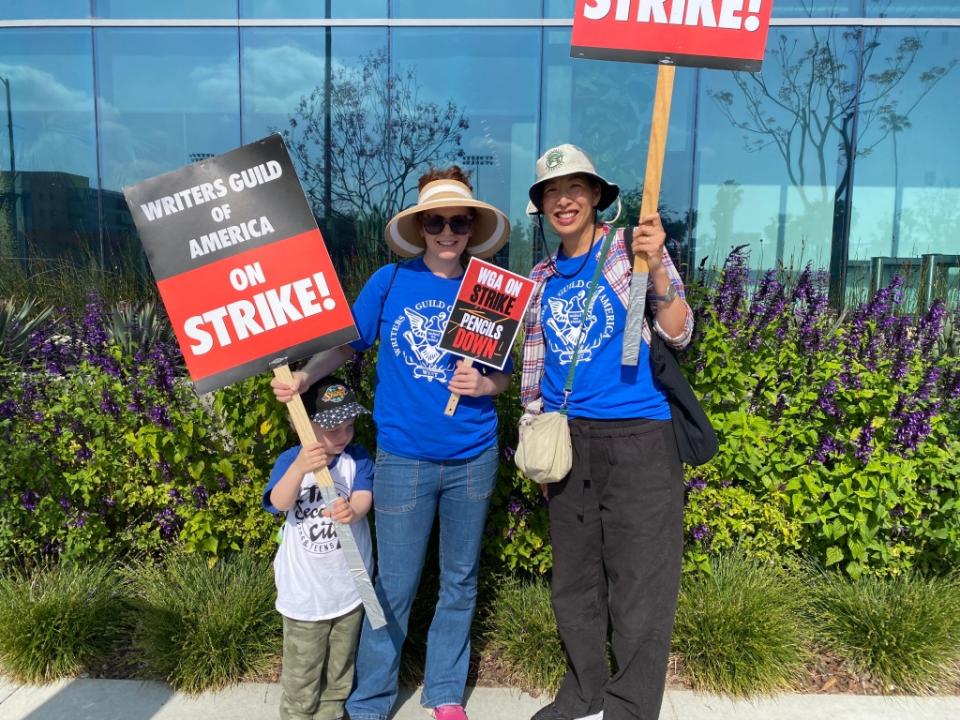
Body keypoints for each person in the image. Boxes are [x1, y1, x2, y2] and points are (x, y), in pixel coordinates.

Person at [271, 166, 512, 720]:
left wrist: (486, 384)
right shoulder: (391, 281)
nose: (447, 232)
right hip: (403, 458)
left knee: (460, 579)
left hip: (472, 457)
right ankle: (372, 697)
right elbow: (349, 347)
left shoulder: (490, 287)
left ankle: (445, 690)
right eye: (436, 222)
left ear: (472, 227)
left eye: (458, 221)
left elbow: (503, 376)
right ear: (421, 226)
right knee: (393, 585)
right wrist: (305, 378)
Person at [520, 144, 694, 720]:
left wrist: (661, 263)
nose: (562, 200)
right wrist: (538, 446)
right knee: (573, 583)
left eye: (574, 188)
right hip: (572, 443)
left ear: (597, 195)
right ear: (541, 205)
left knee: (640, 583)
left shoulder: (629, 252)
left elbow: (679, 332)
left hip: (641, 438)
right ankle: (584, 688)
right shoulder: (541, 276)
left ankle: (630, 705)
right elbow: (533, 370)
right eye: (551, 191)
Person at [263, 376, 375, 720]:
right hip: (305, 596)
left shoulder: (356, 458)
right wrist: (299, 468)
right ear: (303, 424)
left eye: (350, 426)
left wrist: (352, 510)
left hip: (349, 590)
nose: (344, 435)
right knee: (302, 678)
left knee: (339, 676)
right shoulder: (291, 460)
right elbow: (279, 503)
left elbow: (363, 496)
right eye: (332, 428)